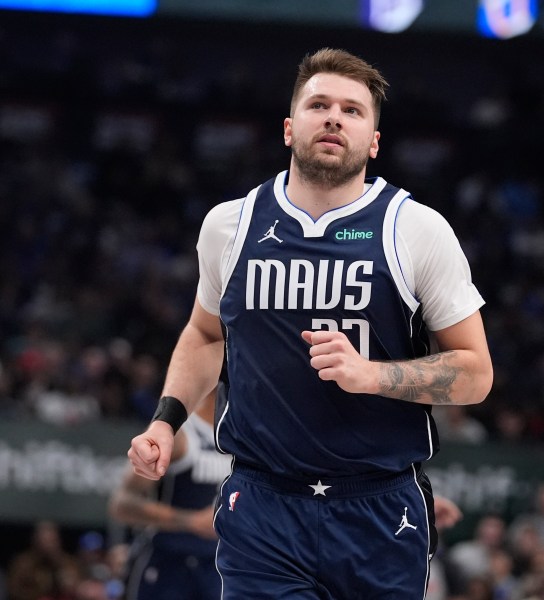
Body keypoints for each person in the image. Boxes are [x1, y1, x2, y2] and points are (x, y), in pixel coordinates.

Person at [128, 47, 493, 598]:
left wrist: (372, 375)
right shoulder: (230, 225)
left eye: (352, 110)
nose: (333, 117)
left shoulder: (416, 229)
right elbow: (206, 335)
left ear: (373, 140)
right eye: (319, 104)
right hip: (262, 502)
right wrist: (166, 420)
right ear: (288, 127)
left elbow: (476, 373)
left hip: (379, 506)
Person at [110, 384, 231, 599]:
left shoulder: (239, 436)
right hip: (167, 558)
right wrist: (190, 520)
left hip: (218, 563)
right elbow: (122, 503)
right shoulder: (179, 434)